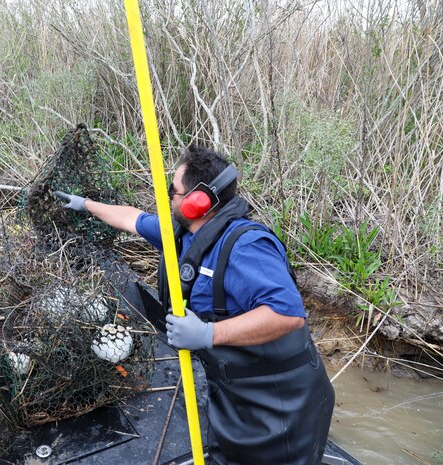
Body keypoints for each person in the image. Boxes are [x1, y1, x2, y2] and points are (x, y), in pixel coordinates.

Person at [54, 145, 334, 465]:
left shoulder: (246, 246)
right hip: (235, 391)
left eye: (173, 191)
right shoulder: (185, 234)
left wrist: (207, 334)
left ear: (197, 201)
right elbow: (132, 218)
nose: (168, 197)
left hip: (282, 404)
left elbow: (287, 315)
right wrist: (86, 205)